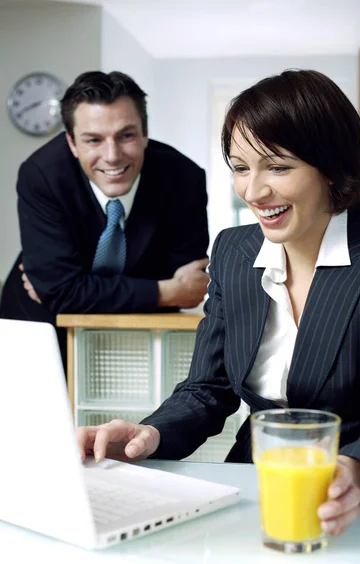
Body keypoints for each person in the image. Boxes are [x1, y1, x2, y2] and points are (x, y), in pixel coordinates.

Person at [77, 69, 360, 537]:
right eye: (241, 167)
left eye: (279, 167)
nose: (253, 191)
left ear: (331, 166)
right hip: (256, 480)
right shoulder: (234, 250)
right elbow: (208, 388)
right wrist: (151, 433)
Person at [0, 71, 210, 364]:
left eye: (126, 136)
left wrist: (71, 290)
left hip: (136, 338)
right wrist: (165, 291)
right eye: (93, 140)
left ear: (145, 134)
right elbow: (60, 292)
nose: (112, 156)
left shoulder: (184, 179)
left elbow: (190, 287)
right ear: (72, 143)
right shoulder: (42, 175)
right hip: (39, 326)